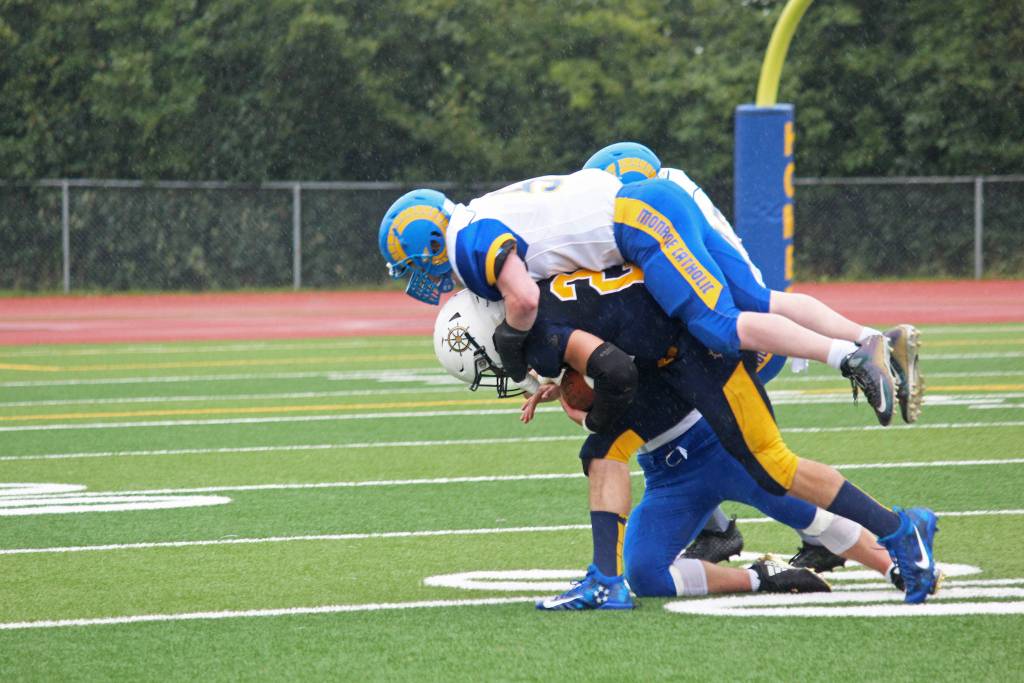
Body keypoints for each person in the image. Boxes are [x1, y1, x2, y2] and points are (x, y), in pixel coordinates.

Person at [432, 265, 941, 605]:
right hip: (670, 475)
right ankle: (763, 577)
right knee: (648, 574)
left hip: (710, 429)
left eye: (484, 360)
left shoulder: (557, 320)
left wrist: (582, 407)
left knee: (787, 485)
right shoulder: (555, 308)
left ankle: (898, 547)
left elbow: (615, 381)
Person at [379, 160, 906, 426]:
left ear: (425, 242)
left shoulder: (464, 240)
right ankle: (867, 337)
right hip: (649, 206)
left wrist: (516, 344)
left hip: (639, 222)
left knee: (719, 328)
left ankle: (853, 356)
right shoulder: (474, 218)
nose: (415, 280)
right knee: (758, 299)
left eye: (408, 266)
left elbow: (523, 299)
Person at [582, 141, 924, 424]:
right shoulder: (668, 186)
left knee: (697, 387)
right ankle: (871, 340)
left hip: (712, 267)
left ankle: (860, 348)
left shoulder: (653, 202)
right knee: (758, 301)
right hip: (715, 252)